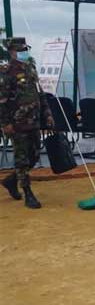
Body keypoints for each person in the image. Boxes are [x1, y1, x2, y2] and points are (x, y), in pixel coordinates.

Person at [0, 37, 54, 209]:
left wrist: (48, 114)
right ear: (12, 52)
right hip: (17, 123)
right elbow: (1, 101)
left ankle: (11, 180)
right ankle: (28, 193)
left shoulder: (30, 69)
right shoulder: (7, 73)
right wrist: (5, 123)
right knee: (22, 159)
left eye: (25, 49)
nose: (24, 52)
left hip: (34, 121)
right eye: (20, 50)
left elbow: (40, 94)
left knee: (34, 155)